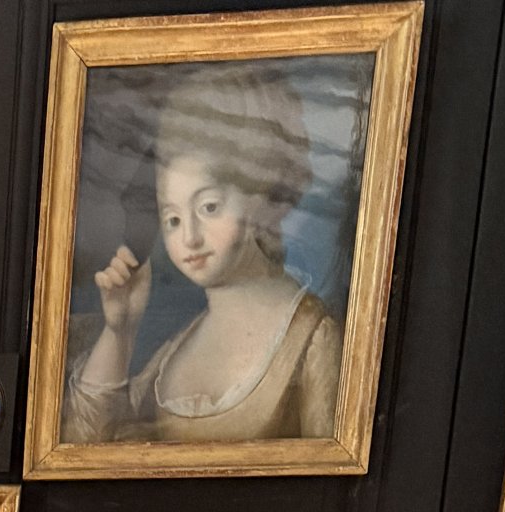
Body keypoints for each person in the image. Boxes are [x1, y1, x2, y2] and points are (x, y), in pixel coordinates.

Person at [64, 64, 342, 447]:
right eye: (173, 219)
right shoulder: (176, 351)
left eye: (209, 207)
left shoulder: (312, 340)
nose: (190, 238)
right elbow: (84, 446)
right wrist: (119, 333)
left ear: (259, 196)